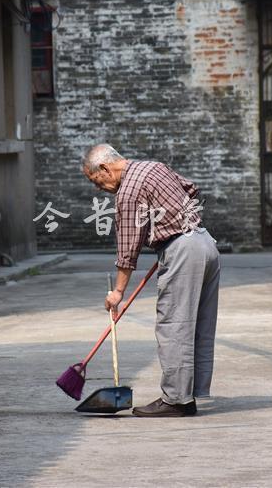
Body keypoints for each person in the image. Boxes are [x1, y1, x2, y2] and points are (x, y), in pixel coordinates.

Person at [81, 144, 220, 417]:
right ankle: (188, 395)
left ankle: (176, 401)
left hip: (184, 250)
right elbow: (191, 189)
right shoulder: (153, 167)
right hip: (205, 244)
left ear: (106, 168)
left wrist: (118, 292)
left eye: (96, 181)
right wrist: (174, 226)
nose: (99, 188)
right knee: (198, 324)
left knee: (174, 325)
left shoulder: (128, 192)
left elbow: (128, 247)